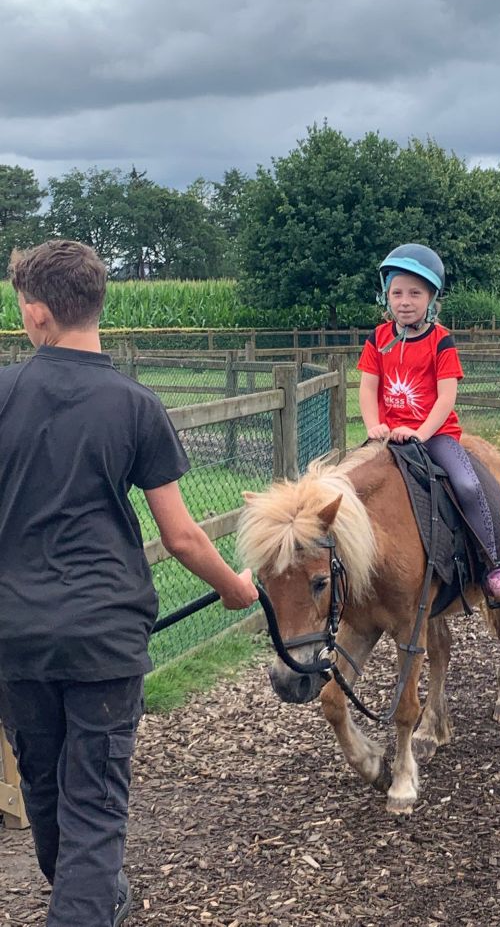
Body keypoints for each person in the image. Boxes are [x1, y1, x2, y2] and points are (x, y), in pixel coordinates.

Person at [0, 240, 258, 927]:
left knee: (45, 787)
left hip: (16, 633)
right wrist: (234, 587)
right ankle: (87, 904)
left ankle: (86, 898)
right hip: (104, 633)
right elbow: (181, 535)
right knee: (94, 801)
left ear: (37, 312)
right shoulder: (135, 404)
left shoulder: (3, 392)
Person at [358, 243, 500, 606]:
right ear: (386, 296)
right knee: (348, 486)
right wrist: (374, 426)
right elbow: (368, 388)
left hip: (435, 435)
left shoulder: (441, 341)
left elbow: (446, 397)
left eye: (415, 293)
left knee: (467, 485)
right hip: (387, 437)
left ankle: (494, 568)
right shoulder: (377, 339)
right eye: (397, 293)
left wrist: (420, 433)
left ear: (432, 298)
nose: (404, 302)